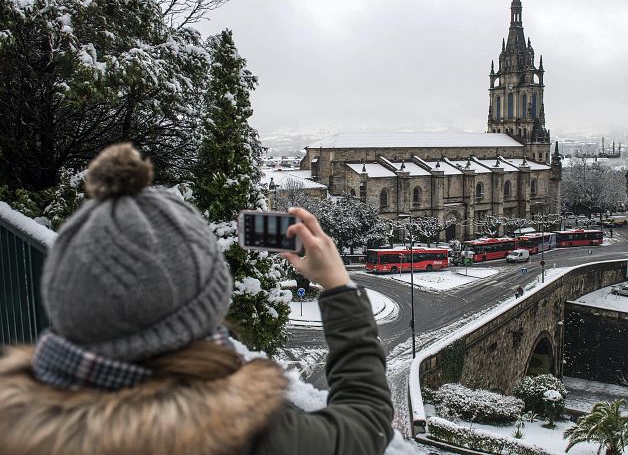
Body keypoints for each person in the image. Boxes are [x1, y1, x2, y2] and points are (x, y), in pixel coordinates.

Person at [0, 144, 394, 455]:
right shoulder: (241, 433)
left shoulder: (15, 420)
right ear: (204, 307)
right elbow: (366, 426)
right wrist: (338, 285)